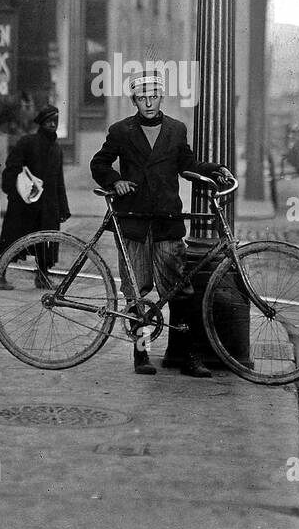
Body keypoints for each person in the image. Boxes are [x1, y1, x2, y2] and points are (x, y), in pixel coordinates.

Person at [89, 74, 231, 378]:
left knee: (180, 290)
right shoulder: (121, 131)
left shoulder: (176, 130)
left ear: (161, 97)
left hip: (167, 222)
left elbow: (187, 167)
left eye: (153, 96)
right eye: (142, 98)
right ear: (135, 101)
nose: (148, 102)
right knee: (137, 292)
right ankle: (141, 355)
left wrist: (214, 170)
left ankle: (186, 356)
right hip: (134, 224)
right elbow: (99, 164)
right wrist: (116, 181)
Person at [0, 105, 70, 288]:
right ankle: (0, 277)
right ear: (41, 123)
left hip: (48, 205)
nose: (52, 124)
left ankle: (42, 276)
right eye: (49, 121)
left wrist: (63, 207)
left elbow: (59, 180)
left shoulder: (57, 149)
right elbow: (12, 167)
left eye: (56, 121)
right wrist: (14, 192)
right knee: (13, 239)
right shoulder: (27, 142)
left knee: (46, 241)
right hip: (24, 203)